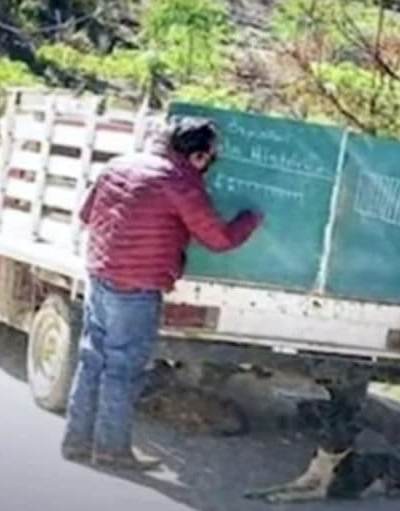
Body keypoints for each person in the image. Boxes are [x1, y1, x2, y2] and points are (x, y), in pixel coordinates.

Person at [61, 117, 263, 470]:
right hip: (138, 287)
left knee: (93, 360)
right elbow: (218, 239)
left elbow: (85, 214)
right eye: (211, 157)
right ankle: (111, 449)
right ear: (198, 157)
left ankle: (75, 441)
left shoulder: (117, 165)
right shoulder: (181, 183)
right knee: (122, 368)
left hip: (99, 274)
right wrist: (250, 219)